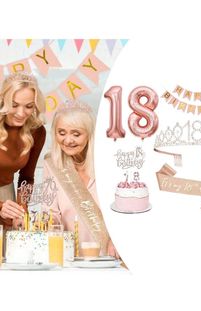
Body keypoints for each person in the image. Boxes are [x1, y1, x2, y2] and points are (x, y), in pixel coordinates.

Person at [43, 100, 119, 258]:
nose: (68, 140)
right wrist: (46, 225)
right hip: (70, 257)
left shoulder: (109, 163)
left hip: (111, 257)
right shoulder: (52, 164)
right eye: (61, 133)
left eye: (76, 134)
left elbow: (123, 211)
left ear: (89, 134)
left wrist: (119, 239)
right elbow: (51, 213)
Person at [0, 72, 46, 230]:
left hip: (6, 196)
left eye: (28, 106)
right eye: (14, 105)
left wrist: (22, 207)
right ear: (3, 100)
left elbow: (26, 177)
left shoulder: (37, 131)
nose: (21, 113)